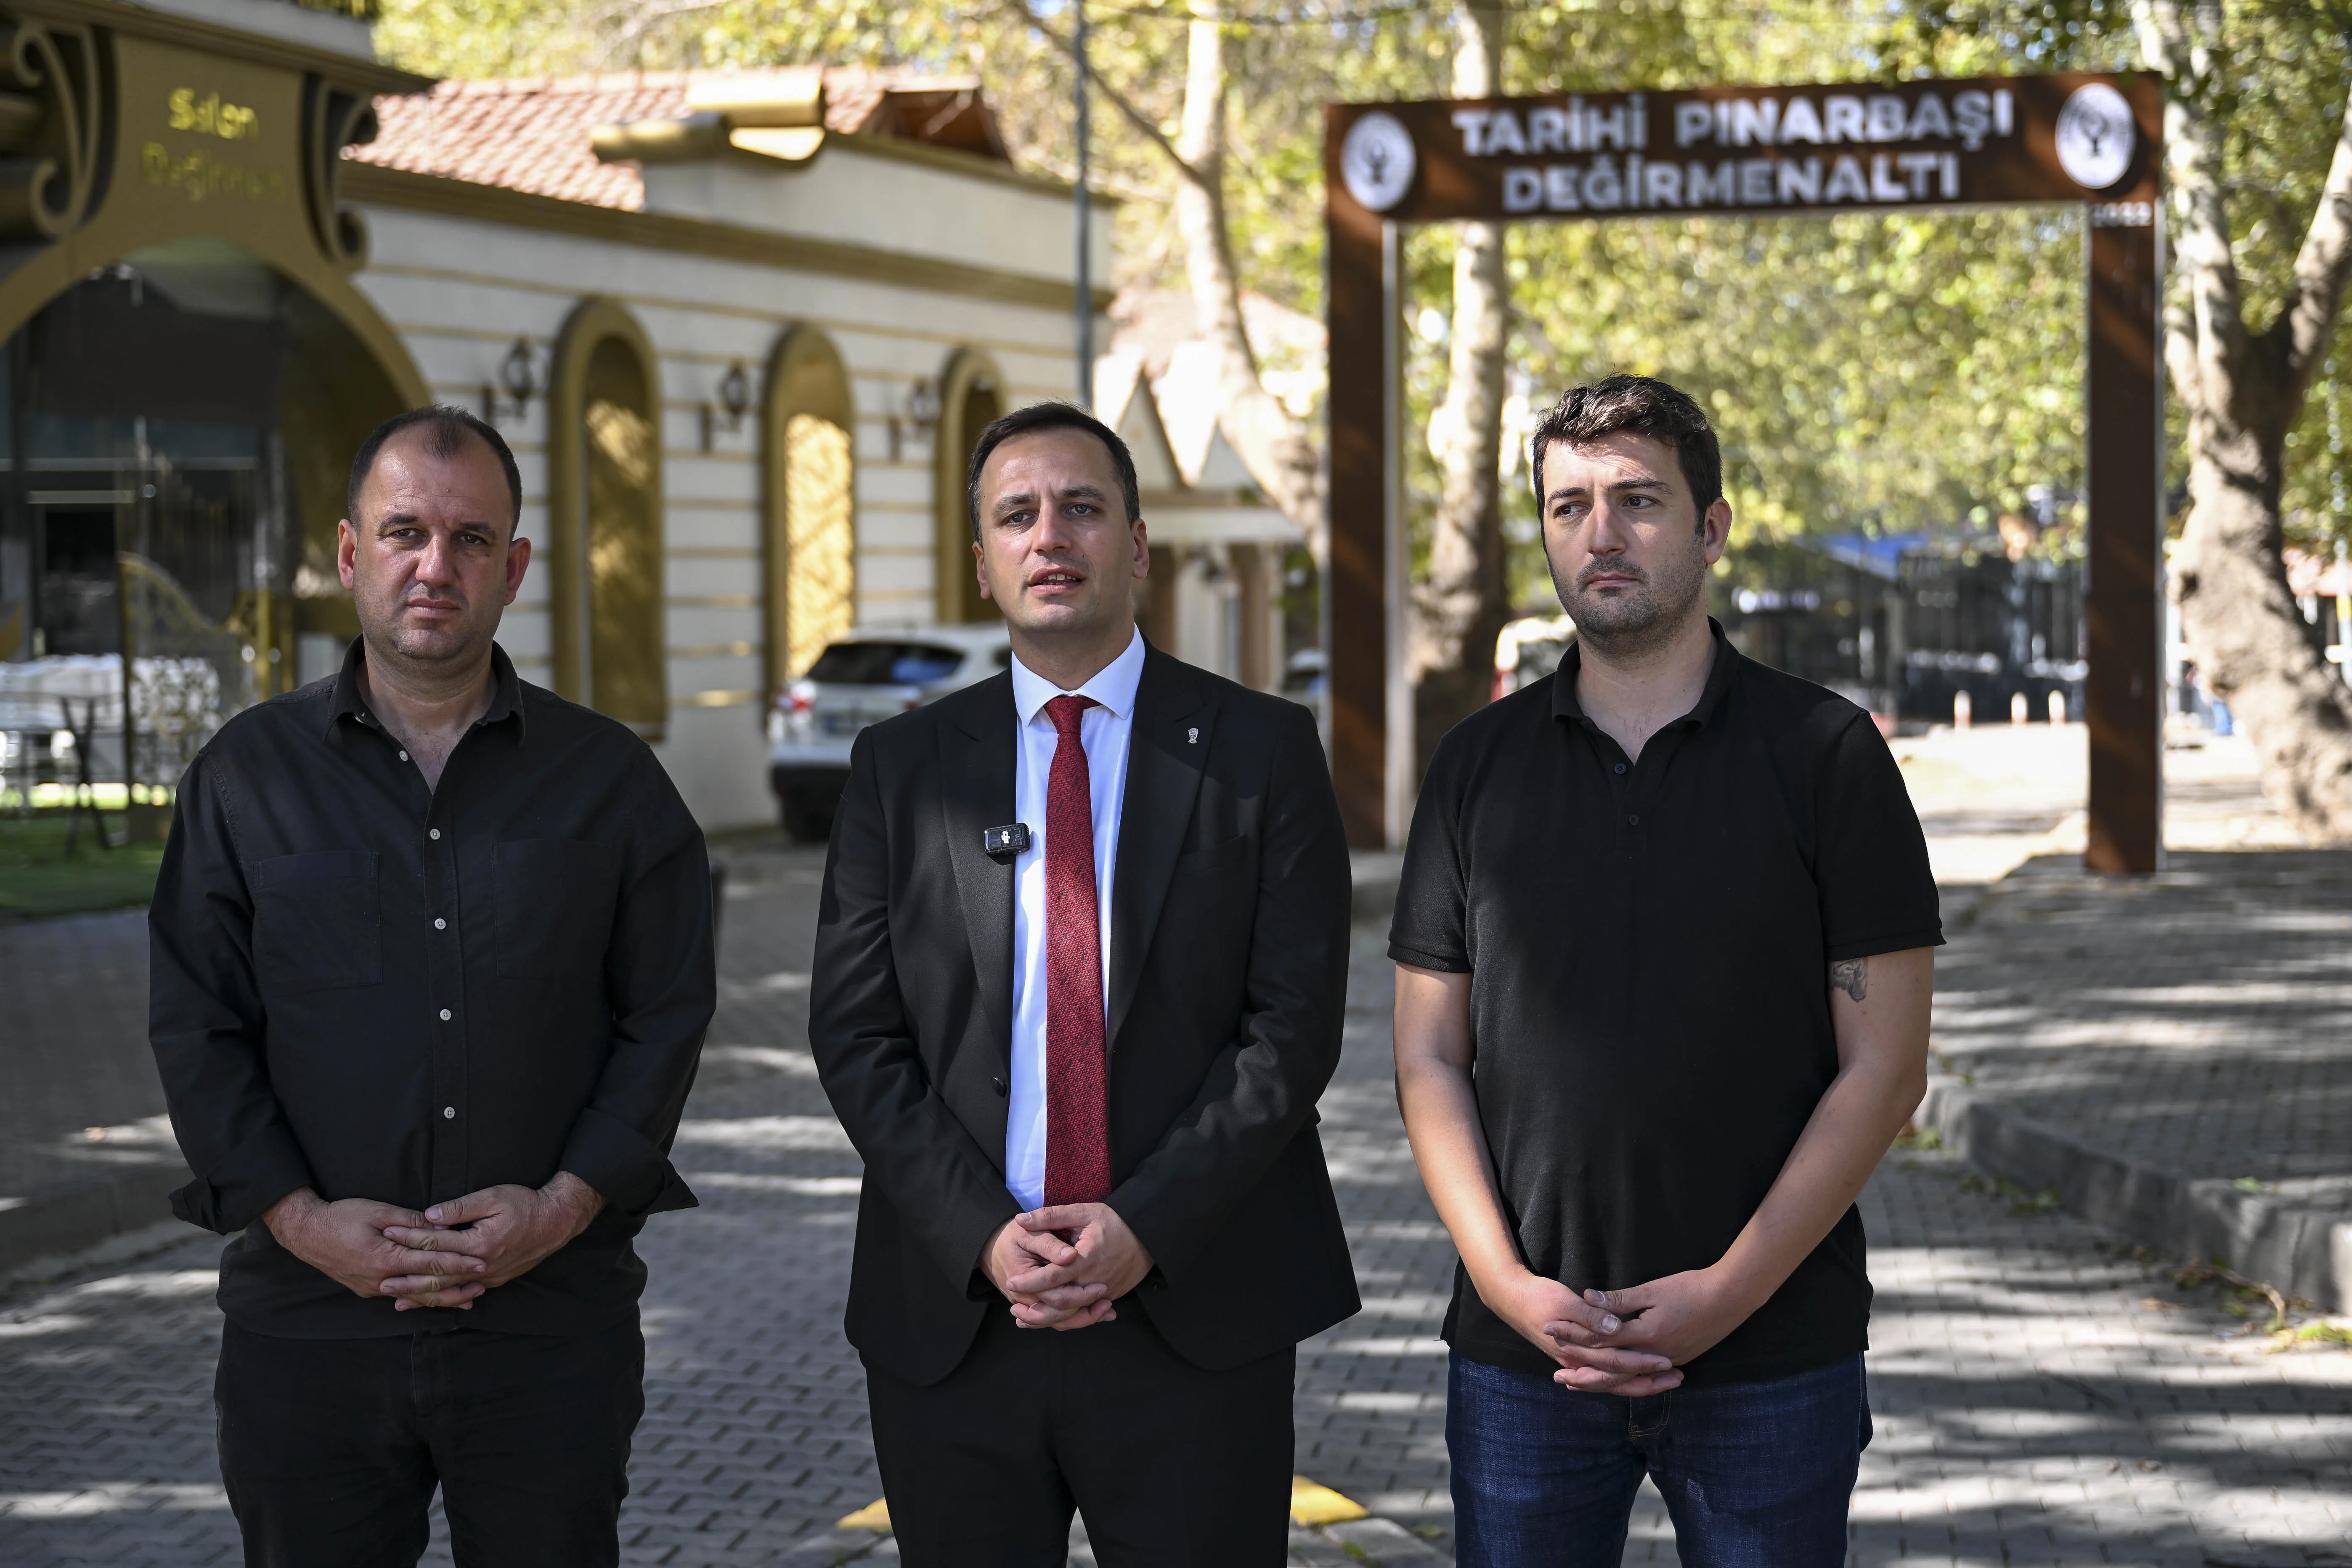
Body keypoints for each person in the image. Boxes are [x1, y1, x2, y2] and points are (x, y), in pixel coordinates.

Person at [148, 406, 715, 1568]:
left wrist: (556, 1209)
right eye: (404, 532)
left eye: (468, 539)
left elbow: (663, 1017)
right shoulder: (246, 778)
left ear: (512, 569)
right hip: (310, 1330)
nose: (433, 565)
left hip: (548, 1328)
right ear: (353, 555)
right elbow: (197, 1025)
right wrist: (305, 1225)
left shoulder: (610, 782)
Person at [1390, 375, 1941, 1566]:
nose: (1599, 533)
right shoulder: (1472, 767)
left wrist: (1727, 1292)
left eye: (1637, 499)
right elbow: (1429, 1051)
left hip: (1768, 1351)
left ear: (1710, 526)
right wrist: (1502, 1282)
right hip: (1525, 1356)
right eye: (1567, 504)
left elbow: (1886, 1066)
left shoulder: (1825, 754)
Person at [809, 401, 1358, 1565]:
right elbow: (857, 1035)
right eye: (1016, 514)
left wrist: (1141, 1226)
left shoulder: (1262, 752)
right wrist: (983, 1233)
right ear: (983, 561)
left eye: (1081, 507)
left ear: (1138, 544)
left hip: (1192, 1314)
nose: (1048, 534)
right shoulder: (901, 769)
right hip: (959, 1320)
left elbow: (1291, 1032)